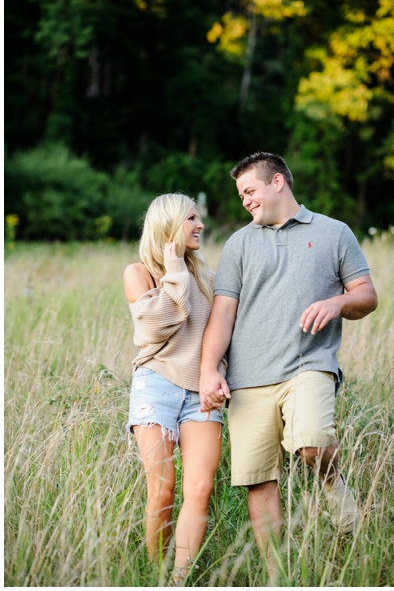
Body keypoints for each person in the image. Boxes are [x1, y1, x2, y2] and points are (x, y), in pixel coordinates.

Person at [198, 151, 378, 564]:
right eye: (240, 194)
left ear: (278, 182)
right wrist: (210, 371)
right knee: (259, 483)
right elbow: (224, 312)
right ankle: (278, 574)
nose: (244, 200)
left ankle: (338, 494)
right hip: (247, 380)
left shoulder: (334, 233)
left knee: (313, 443)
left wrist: (337, 303)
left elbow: (366, 296)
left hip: (309, 365)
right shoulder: (239, 243)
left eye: (250, 190)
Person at [123, 193, 224, 584]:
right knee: (163, 491)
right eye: (192, 219)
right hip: (156, 387)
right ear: (169, 226)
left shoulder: (208, 278)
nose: (200, 226)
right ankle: (155, 576)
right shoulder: (139, 273)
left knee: (200, 488)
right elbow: (156, 325)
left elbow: (221, 334)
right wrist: (176, 269)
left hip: (200, 393)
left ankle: (179, 581)